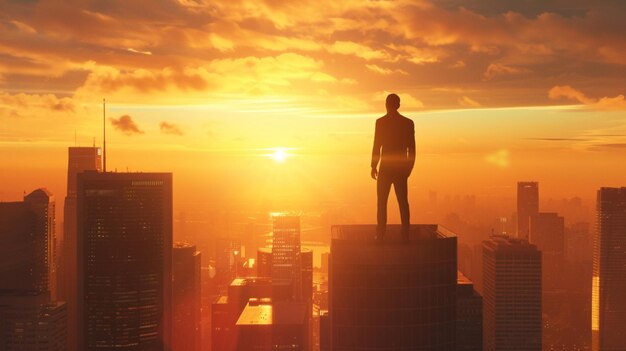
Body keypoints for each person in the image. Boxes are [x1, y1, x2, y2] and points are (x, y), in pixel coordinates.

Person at [371, 93, 415, 242]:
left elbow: (377, 145)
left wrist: (373, 165)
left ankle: (381, 234)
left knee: (382, 202)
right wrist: (408, 168)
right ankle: (405, 234)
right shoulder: (407, 123)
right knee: (402, 202)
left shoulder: (381, 122)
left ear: (387, 104)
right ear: (398, 105)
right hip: (399, 169)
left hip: (386, 169)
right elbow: (412, 149)